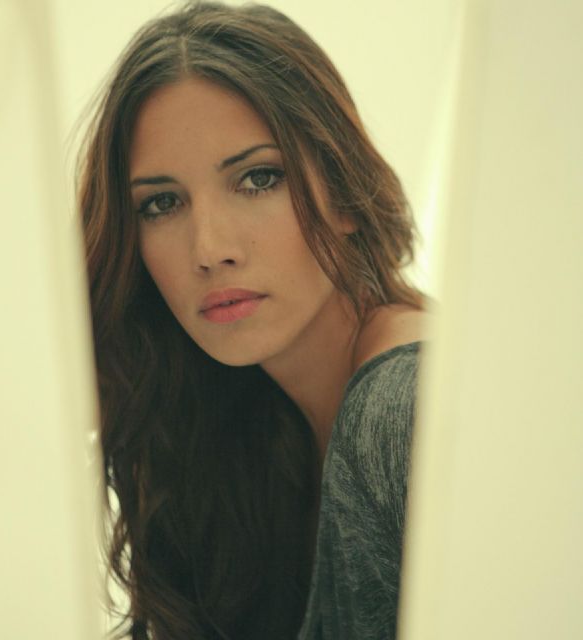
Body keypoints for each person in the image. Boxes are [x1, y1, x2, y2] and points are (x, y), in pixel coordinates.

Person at [77, 2, 428, 638]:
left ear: (345, 192)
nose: (210, 249)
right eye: (162, 203)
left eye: (258, 178)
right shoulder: (248, 426)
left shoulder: (403, 404)